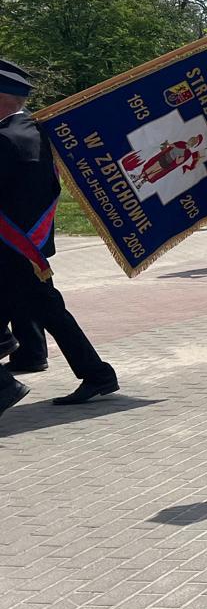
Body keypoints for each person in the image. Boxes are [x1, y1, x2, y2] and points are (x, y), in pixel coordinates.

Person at [0, 58, 120, 418]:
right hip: (26, 249)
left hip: (10, 249)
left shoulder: (6, 141)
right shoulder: (34, 131)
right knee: (52, 312)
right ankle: (97, 373)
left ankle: (6, 387)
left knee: (50, 312)